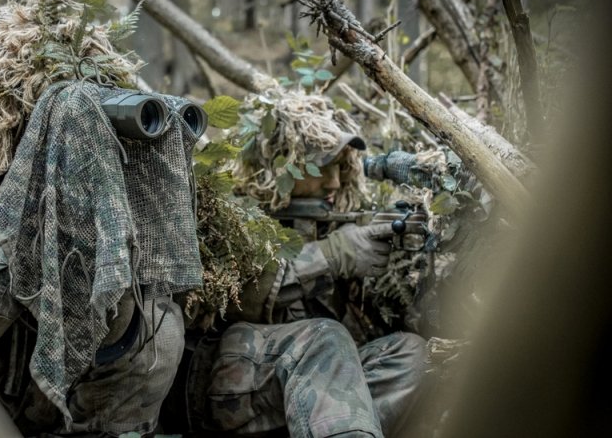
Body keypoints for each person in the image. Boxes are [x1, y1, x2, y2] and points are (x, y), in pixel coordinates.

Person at [0, 80, 206, 436]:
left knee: (154, 322)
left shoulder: (139, 289)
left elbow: (118, 412)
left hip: (51, 419)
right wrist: (28, 238)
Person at [162, 89, 429, 438]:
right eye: (322, 167)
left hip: (304, 388)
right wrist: (332, 256)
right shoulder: (225, 212)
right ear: (282, 164)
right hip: (217, 390)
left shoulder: (335, 219)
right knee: (322, 337)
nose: (334, 182)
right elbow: (230, 297)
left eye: (339, 167)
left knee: (409, 353)